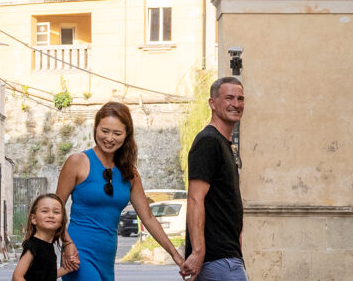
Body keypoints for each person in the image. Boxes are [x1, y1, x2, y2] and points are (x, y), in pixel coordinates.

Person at [57, 101, 186, 281]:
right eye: (104, 131)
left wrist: (176, 255)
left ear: (126, 135)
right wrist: (67, 243)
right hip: (78, 251)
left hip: (107, 255)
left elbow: (148, 217)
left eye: (117, 133)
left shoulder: (130, 173)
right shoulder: (77, 162)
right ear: (95, 129)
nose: (109, 138)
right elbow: (55, 209)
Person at [181, 77, 246, 281]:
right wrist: (198, 252)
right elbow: (195, 198)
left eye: (240, 98)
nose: (236, 104)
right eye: (229, 98)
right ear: (212, 103)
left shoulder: (224, 144)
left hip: (228, 257)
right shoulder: (208, 142)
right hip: (218, 259)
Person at [13, 193, 75, 281]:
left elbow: (47, 275)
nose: (51, 215)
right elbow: (17, 277)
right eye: (45, 211)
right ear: (33, 219)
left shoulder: (48, 246)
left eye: (56, 212)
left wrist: (67, 268)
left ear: (62, 222)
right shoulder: (33, 245)